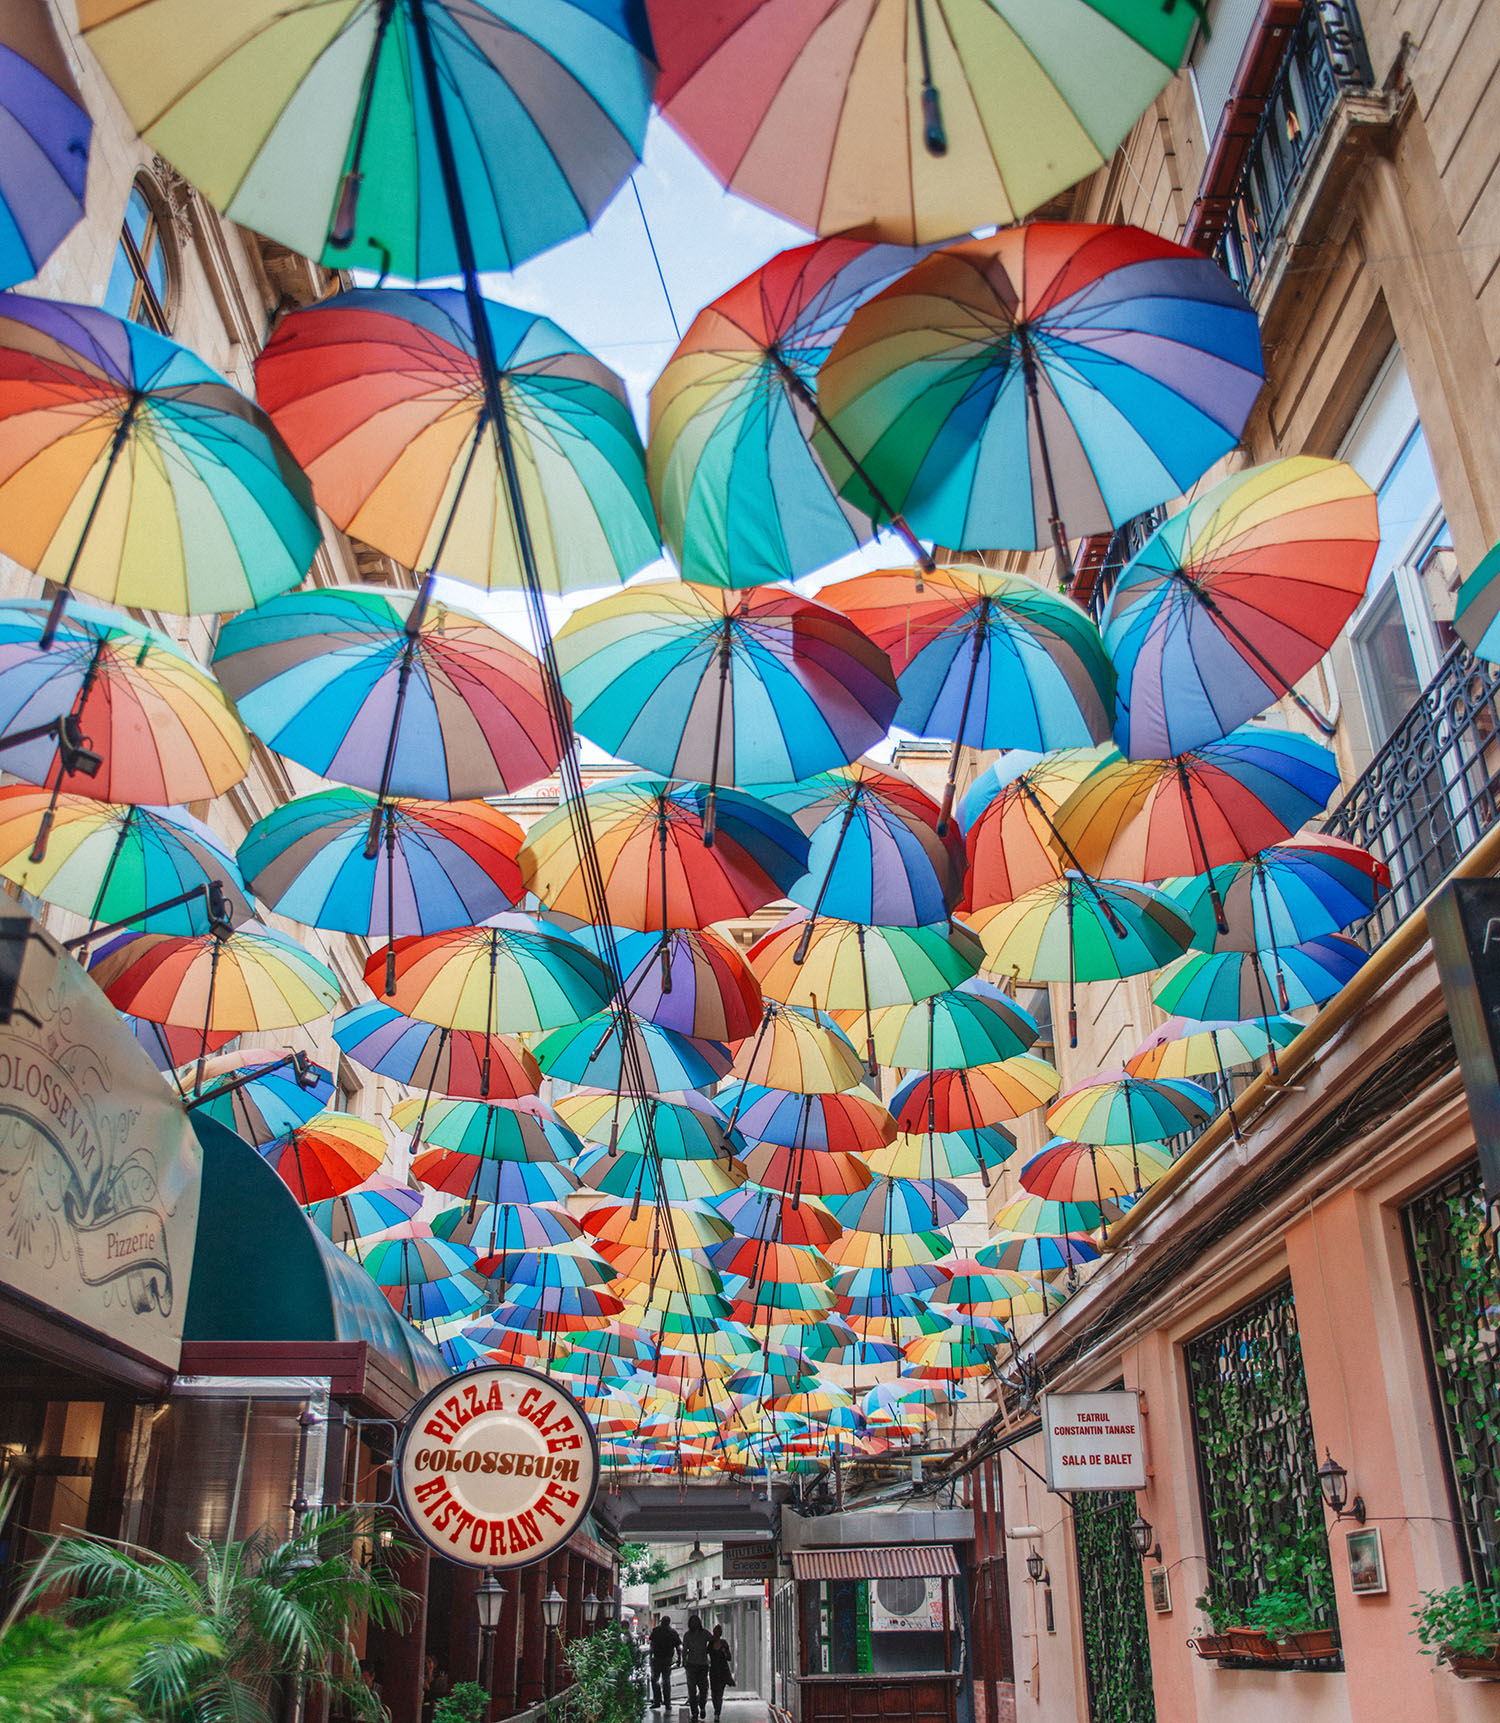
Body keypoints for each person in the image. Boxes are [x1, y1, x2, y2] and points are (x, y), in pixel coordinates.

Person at [682, 1613, 713, 1723]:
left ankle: (702, 1705)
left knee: (704, 1689)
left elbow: (713, 1640)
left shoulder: (704, 1633)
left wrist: (709, 1651)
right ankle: (694, 1713)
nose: (694, 1624)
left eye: (696, 1621)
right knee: (691, 1690)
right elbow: (684, 1649)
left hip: (702, 1665)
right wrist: (684, 1661)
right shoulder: (687, 1635)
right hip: (691, 1665)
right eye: (692, 1622)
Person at [649, 1614, 681, 1711]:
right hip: (667, 1659)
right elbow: (678, 1647)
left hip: (658, 1659)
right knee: (666, 1681)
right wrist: (679, 1658)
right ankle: (667, 1703)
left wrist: (651, 1657)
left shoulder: (656, 1631)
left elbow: (652, 1645)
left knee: (655, 1680)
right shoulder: (672, 1632)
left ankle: (657, 1701)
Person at [707, 1625, 733, 1723]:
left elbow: (729, 1657)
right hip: (713, 1671)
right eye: (715, 1633)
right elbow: (705, 1653)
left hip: (722, 1671)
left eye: (718, 1633)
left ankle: (717, 1713)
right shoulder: (711, 1643)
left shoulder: (724, 1643)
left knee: (719, 1693)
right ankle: (716, 1709)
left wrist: (724, 1652)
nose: (716, 1634)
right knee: (714, 1692)